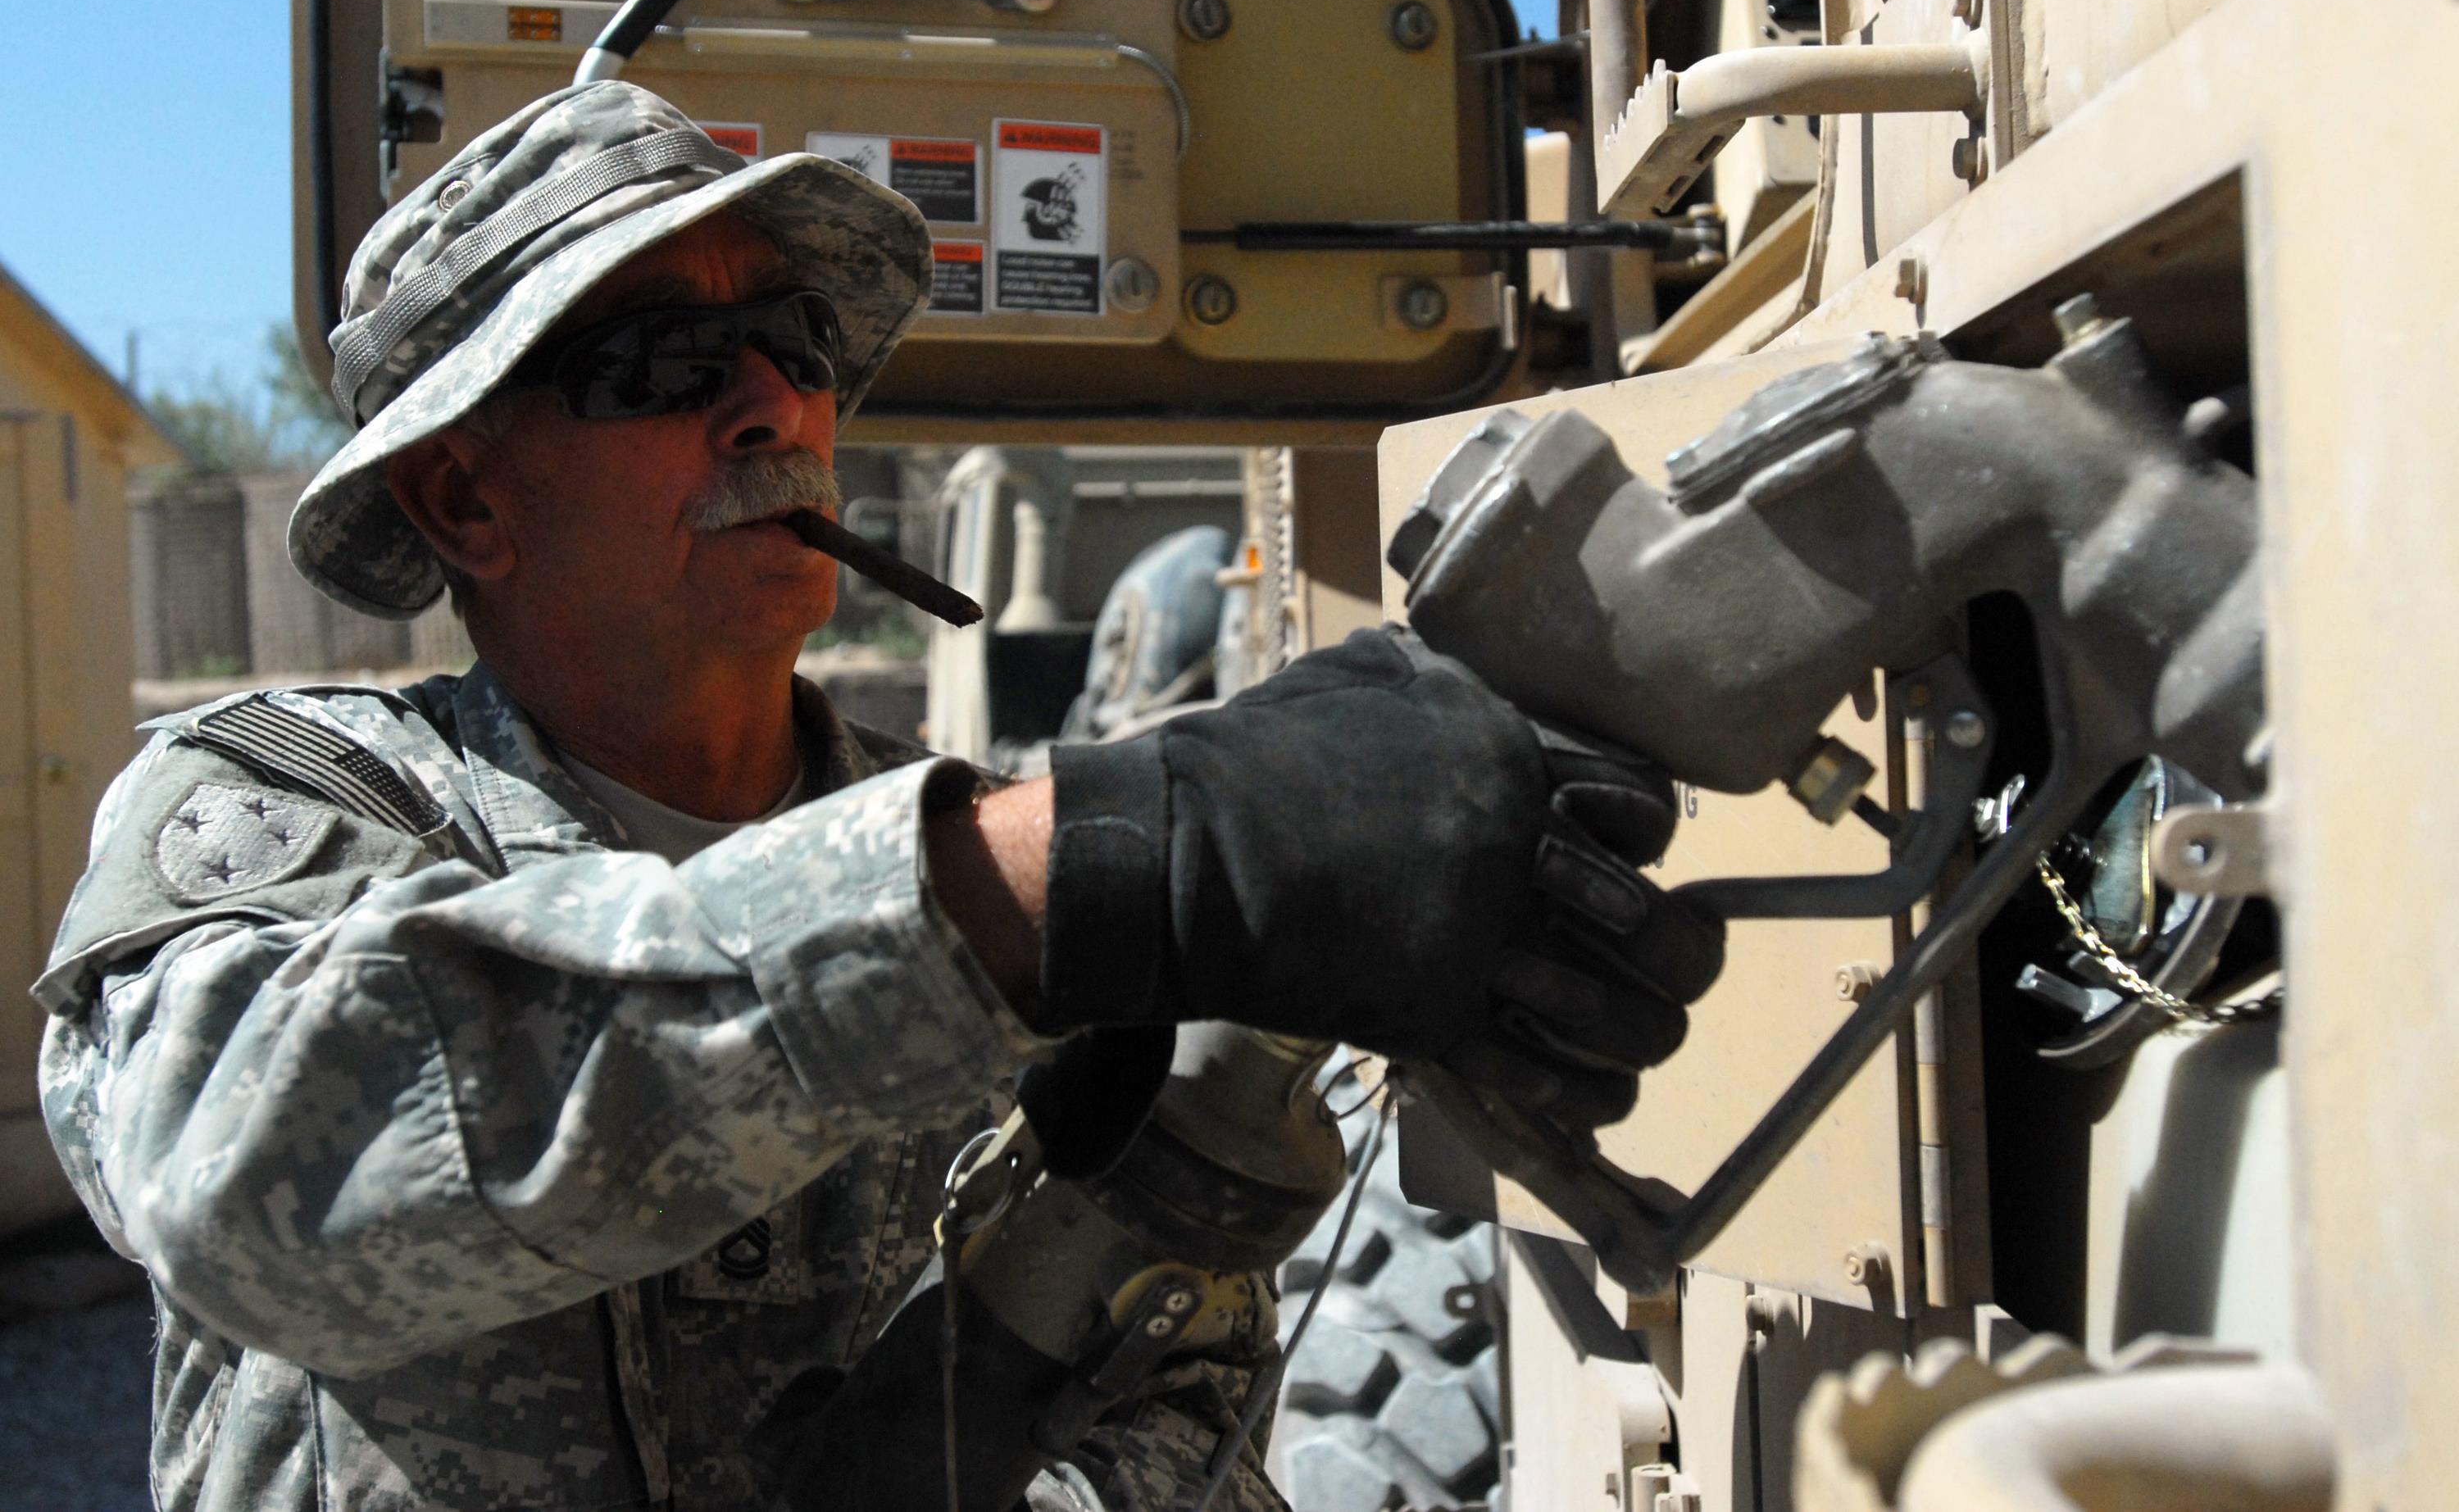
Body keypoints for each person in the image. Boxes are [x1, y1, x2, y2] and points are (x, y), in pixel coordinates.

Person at [34, 83, 1721, 1511]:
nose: (774, 402)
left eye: (792, 343)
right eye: (663, 364)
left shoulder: (989, 860)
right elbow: (250, 1178)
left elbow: (1179, 1386)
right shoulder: (289, 805)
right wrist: (1085, 877)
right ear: (467, 497)